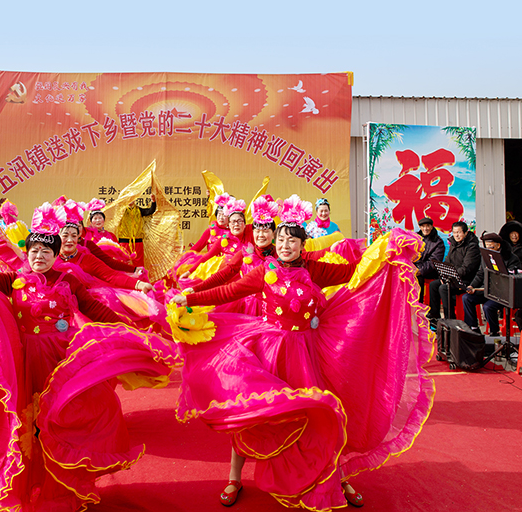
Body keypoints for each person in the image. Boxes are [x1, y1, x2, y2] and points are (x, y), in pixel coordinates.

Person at [0, 203, 180, 511]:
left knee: (55, 425)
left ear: (55, 254)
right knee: (14, 424)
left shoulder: (70, 280)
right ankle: (2, 485)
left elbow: (95, 309)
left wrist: (130, 330)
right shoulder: (13, 279)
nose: (39, 256)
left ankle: (61, 486)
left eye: (46, 252)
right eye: (34, 250)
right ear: (28, 253)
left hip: (60, 363)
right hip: (22, 364)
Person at [170, 194, 433, 510]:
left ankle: (337, 477)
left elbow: (353, 274)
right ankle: (234, 477)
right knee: (254, 414)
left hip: (311, 354)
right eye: (281, 238)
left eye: (291, 240)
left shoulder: (313, 269)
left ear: (302, 244)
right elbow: (228, 290)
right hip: (270, 352)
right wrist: (191, 299)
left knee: (326, 416)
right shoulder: (263, 270)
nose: (284, 245)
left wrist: (382, 255)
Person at [462, 232, 521, 337]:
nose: (488, 248)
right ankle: (474, 328)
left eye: (491, 245)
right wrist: (472, 285)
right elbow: (480, 274)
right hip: (486, 290)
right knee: (466, 298)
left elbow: (513, 278)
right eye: (486, 245)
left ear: (498, 245)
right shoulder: (486, 256)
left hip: (503, 293)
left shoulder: (511, 258)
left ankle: (494, 332)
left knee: (488, 307)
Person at [428, 221, 481, 323]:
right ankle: (434, 315)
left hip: (466, 280)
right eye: (454, 232)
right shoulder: (454, 243)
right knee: (434, 285)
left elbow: (467, 268)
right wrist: (444, 276)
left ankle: (450, 318)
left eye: (459, 232)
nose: (456, 235)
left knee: (444, 288)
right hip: (453, 277)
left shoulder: (472, 246)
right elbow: (447, 262)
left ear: (465, 233)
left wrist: (450, 277)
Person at [117, 193, 156, 267]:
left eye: (132, 198)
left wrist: (153, 201)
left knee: (139, 265)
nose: (130, 200)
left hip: (137, 242)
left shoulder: (139, 210)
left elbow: (150, 211)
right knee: (123, 264)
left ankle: (139, 278)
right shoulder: (120, 211)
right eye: (128, 198)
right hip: (124, 241)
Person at [414, 217, 445, 303]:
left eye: (427, 226)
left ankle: (418, 306)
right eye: (423, 226)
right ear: (420, 227)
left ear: (431, 227)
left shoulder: (438, 242)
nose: (425, 229)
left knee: (418, 278)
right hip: (416, 268)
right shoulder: (415, 238)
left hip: (430, 271)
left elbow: (434, 261)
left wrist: (420, 270)